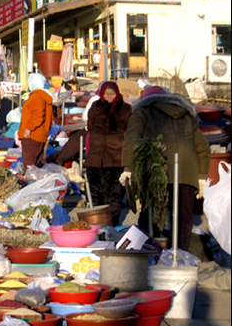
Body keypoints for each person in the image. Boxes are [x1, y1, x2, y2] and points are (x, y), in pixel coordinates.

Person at [120, 86, 210, 251]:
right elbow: (202, 146)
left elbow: (132, 139)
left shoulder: (142, 112)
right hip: (187, 170)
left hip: (157, 168)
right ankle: (180, 254)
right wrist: (202, 175)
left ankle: (147, 252)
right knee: (183, 217)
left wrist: (128, 168)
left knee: (151, 214)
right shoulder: (187, 114)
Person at [84, 81, 132, 227]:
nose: (109, 97)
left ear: (117, 94)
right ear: (102, 94)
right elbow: (91, 127)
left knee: (113, 196)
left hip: (115, 158)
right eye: (107, 94)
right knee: (95, 194)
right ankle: (96, 226)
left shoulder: (126, 109)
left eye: (112, 94)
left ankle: (112, 225)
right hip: (96, 158)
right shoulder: (95, 107)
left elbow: (130, 131)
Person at [56, 83, 102, 166]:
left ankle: (60, 160)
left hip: (94, 130)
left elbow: (85, 117)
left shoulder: (96, 98)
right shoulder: (117, 101)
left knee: (75, 140)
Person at [18, 73, 55, 171]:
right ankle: (41, 183)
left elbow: (38, 114)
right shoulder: (46, 97)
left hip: (31, 136)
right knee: (39, 163)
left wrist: (29, 128)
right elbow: (50, 118)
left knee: (30, 165)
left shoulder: (36, 96)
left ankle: (32, 184)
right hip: (40, 136)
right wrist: (45, 131)